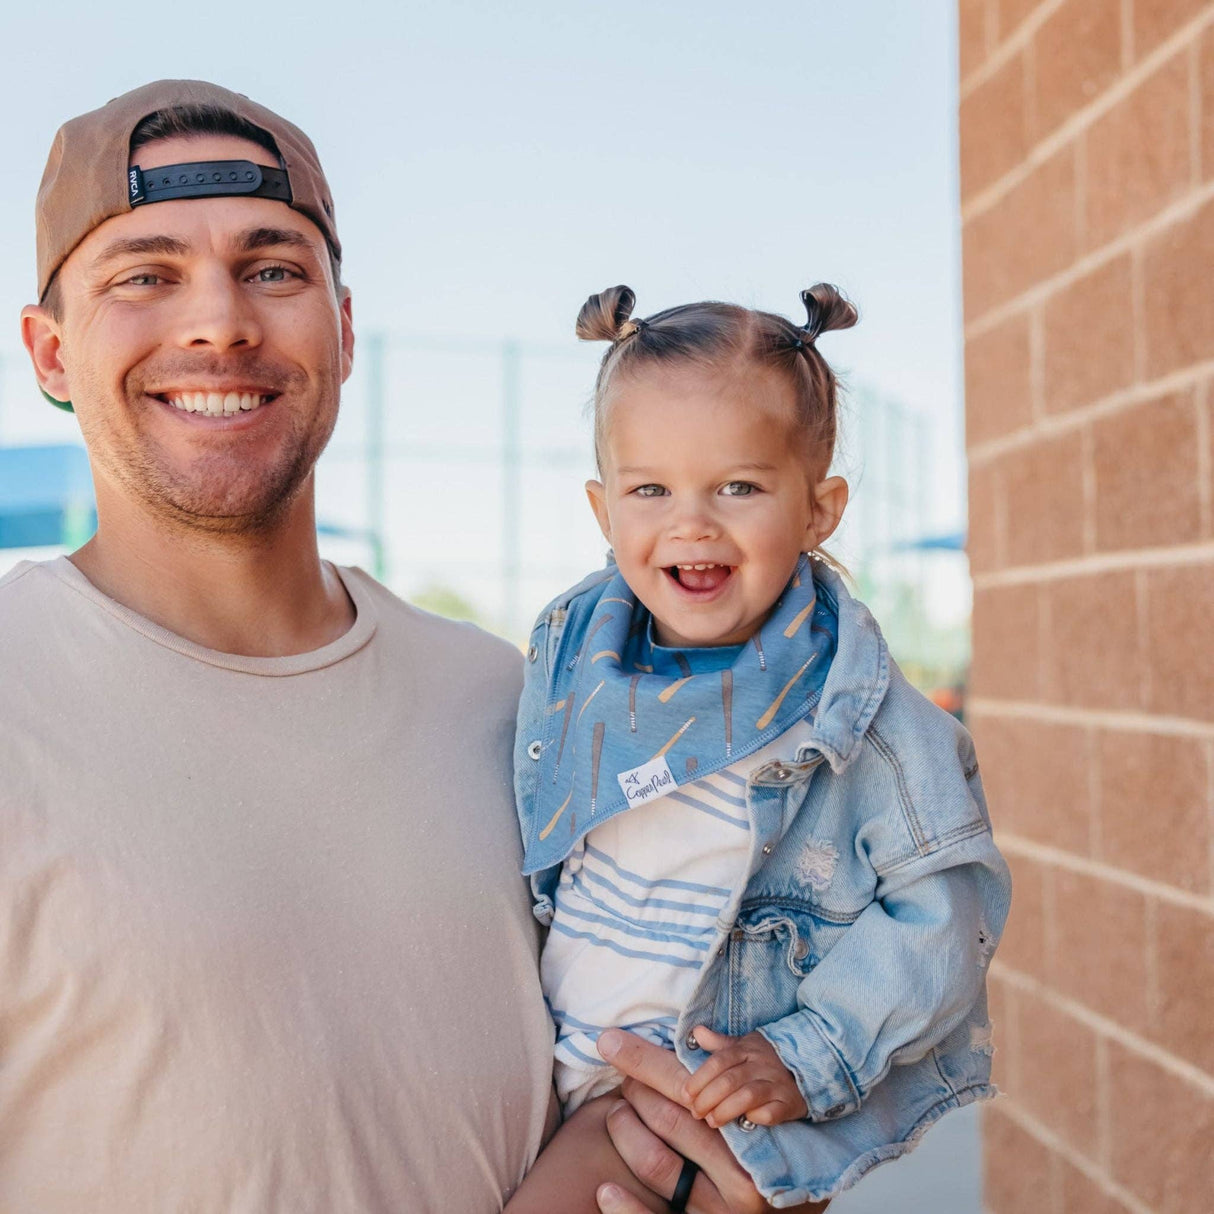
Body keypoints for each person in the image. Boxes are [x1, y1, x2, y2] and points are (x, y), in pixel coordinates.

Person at [5, 81, 790, 1213]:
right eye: (144, 274)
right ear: (50, 352)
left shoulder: (514, 705)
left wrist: (735, 1162)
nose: (218, 320)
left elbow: (648, 1075)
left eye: (274, 268)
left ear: (344, 328)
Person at [506, 286, 1013, 1212]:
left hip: (690, 1093)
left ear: (820, 509)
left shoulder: (858, 716)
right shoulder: (576, 652)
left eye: (738, 486)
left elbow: (949, 910)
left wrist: (805, 1053)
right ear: (601, 508)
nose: (692, 522)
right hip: (556, 1063)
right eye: (650, 489)